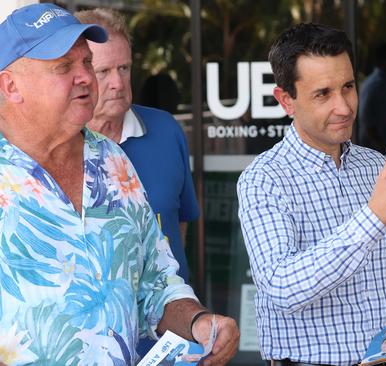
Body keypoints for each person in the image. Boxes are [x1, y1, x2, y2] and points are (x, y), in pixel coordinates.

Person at [0, 4, 238, 365]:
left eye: (85, 62)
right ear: (10, 85)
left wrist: (198, 322)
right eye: (64, 67)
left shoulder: (111, 161)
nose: (85, 77)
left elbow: (155, 284)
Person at [237, 23, 386, 365]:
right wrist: (373, 217)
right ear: (286, 100)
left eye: (348, 87)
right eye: (323, 94)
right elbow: (283, 287)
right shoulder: (265, 178)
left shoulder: (375, 166)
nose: (344, 106)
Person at [75, 8, 199, 284]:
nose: (118, 83)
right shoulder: (59, 144)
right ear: (78, 75)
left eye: (124, 68)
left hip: (172, 314)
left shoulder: (166, 129)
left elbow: (179, 220)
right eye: (104, 71)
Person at [358, 43, 386, 155]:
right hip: (374, 154)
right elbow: (367, 122)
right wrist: (382, 150)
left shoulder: (383, 83)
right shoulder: (376, 85)